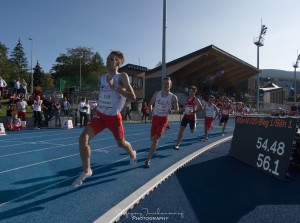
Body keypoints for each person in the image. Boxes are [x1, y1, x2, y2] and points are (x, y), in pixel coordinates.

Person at [72, 50, 137, 188]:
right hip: (100, 115)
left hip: (114, 118)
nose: (107, 61)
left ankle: (132, 154)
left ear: (118, 63)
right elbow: (105, 95)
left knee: (121, 143)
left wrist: (114, 86)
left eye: (111, 59)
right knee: (83, 138)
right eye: (107, 59)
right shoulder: (102, 77)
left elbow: (132, 97)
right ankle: (87, 170)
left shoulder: (122, 76)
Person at [145, 77, 179, 168]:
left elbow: (177, 109)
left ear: (170, 85)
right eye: (164, 83)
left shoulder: (173, 97)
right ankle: (165, 128)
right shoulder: (157, 94)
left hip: (164, 119)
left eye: (167, 83)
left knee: (156, 140)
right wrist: (150, 114)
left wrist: (173, 111)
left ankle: (148, 160)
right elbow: (150, 104)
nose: (165, 85)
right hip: (155, 118)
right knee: (152, 139)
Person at [173, 86, 203, 150]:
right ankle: (177, 145)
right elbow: (186, 105)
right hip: (186, 116)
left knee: (192, 131)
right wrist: (182, 108)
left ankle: (195, 122)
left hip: (192, 117)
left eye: (192, 92)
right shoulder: (187, 98)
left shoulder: (196, 100)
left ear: (195, 92)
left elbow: (201, 108)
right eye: (190, 92)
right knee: (181, 130)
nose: (191, 93)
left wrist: (194, 111)